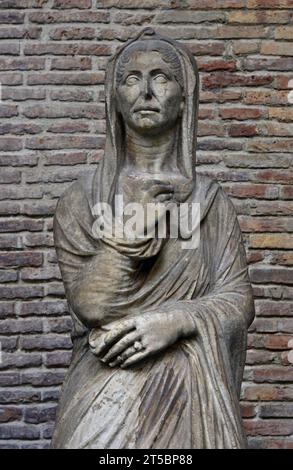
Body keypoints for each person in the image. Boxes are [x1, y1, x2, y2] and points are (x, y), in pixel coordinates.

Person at [51, 28, 255, 449]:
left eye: (161, 77)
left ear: (184, 100)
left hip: (190, 394)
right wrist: (127, 239)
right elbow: (90, 305)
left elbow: (238, 299)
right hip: (106, 393)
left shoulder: (210, 202)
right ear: (116, 99)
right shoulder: (84, 198)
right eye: (131, 78)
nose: (146, 90)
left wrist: (176, 320)